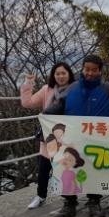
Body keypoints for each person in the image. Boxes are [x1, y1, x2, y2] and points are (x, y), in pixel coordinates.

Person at [45, 55, 109, 217]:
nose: (90, 73)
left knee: (96, 170)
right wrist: (45, 117)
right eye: (87, 69)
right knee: (68, 169)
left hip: (98, 141)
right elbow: (59, 107)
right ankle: (69, 204)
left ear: (100, 71)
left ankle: (94, 202)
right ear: (82, 69)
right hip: (73, 140)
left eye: (94, 70)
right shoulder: (71, 89)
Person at [20, 63, 75, 209]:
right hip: (49, 136)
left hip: (68, 137)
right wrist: (28, 83)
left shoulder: (76, 90)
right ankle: (40, 196)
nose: (60, 76)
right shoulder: (46, 90)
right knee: (44, 168)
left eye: (63, 73)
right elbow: (27, 103)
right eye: (57, 73)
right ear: (53, 75)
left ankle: (70, 200)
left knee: (67, 168)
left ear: (69, 74)